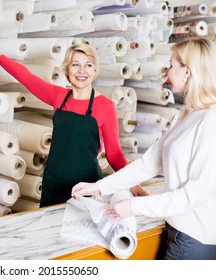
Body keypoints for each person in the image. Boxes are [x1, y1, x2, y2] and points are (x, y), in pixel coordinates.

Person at [71, 37, 216, 260]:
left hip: (193, 241)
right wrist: (98, 187)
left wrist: (132, 206)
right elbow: (148, 164)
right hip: (179, 233)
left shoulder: (210, 120)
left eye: (171, 65)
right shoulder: (186, 114)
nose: (167, 73)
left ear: (187, 72)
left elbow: (192, 196)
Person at [0, 32, 146, 207]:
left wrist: (131, 182)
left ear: (95, 71)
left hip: (86, 189)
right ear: (66, 70)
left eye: (88, 65)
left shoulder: (105, 106)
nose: (82, 71)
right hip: (54, 184)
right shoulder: (58, 97)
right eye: (75, 65)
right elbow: (25, 76)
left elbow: (114, 154)